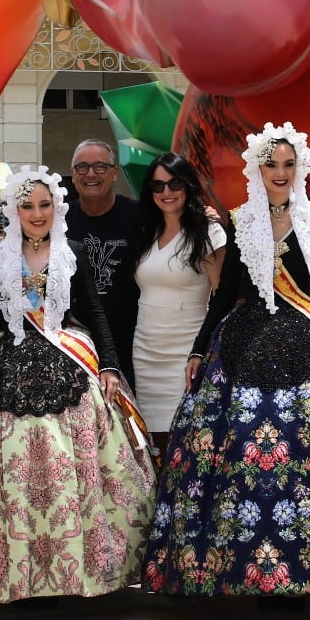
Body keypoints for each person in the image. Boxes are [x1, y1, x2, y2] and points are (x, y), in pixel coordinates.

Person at [143, 123, 310, 598]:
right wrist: (201, 349)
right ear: (257, 170)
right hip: (244, 343)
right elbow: (225, 293)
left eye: (289, 165)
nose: (281, 173)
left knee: (309, 456)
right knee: (233, 448)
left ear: (299, 167)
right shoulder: (240, 220)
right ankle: (236, 571)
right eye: (272, 165)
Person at [0, 167, 153, 603]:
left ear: (57, 207)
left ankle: (74, 571)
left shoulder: (71, 250)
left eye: (44, 205)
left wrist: (109, 365)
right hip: (6, 355)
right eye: (28, 206)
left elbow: (93, 309)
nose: (37, 214)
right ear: (15, 211)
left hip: (65, 353)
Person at [128, 152, 226, 445]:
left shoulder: (208, 231)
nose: (166, 192)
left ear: (188, 186)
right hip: (145, 349)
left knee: (187, 437)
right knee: (152, 439)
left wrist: (204, 352)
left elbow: (222, 297)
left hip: (187, 350)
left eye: (174, 184)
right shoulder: (146, 230)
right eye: (158, 186)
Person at [64, 139, 139, 386]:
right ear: (73, 176)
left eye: (100, 166)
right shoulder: (59, 221)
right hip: (75, 340)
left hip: (131, 340)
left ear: (114, 172)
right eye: (82, 167)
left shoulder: (139, 216)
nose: (91, 174)